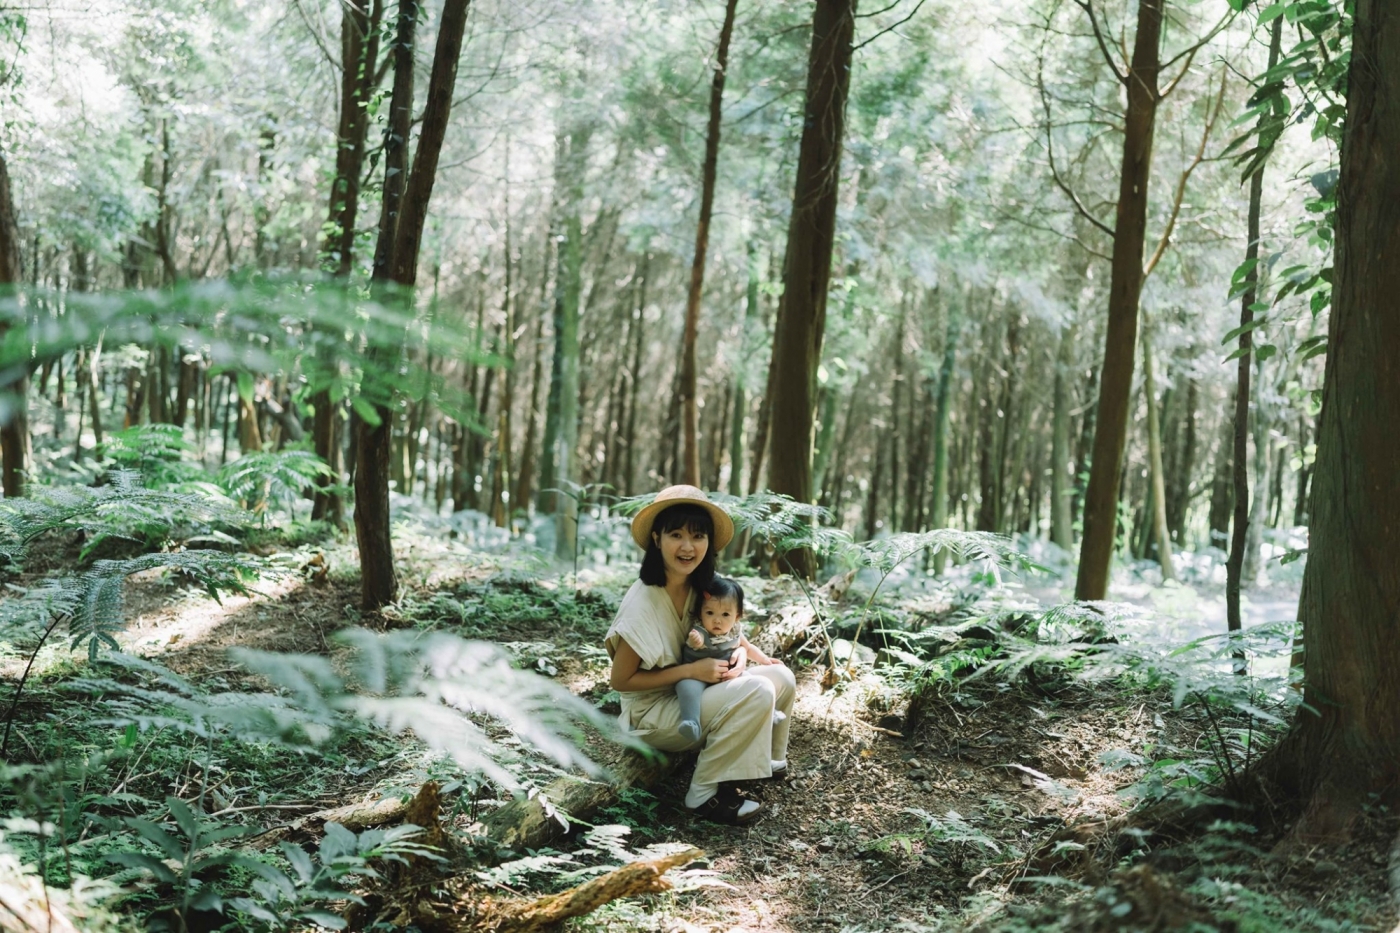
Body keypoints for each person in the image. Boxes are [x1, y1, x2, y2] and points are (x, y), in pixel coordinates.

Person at [605, 485, 796, 825]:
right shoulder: (642, 603)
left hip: (700, 689)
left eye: (698, 535)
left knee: (781, 677)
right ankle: (703, 795)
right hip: (655, 713)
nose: (687, 546)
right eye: (676, 534)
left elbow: (725, 627)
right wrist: (691, 673)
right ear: (656, 539)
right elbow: (621, 681)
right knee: (758, 690)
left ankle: (767, 762)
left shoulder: (701, 584)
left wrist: (739, 653)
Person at [676, 576, 786, 744]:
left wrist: (765, 660)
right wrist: (694, 641)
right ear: (700, 613)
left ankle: (770, 711)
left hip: (726, 677)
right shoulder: (700, 631)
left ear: (737, 617)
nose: (717, 620)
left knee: (751, 682)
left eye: (725, 614)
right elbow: (693, 640)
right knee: (685, 687)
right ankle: (691, 723)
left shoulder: (734, 632)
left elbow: (748, 648)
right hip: (696, 677)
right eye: (709, 612)